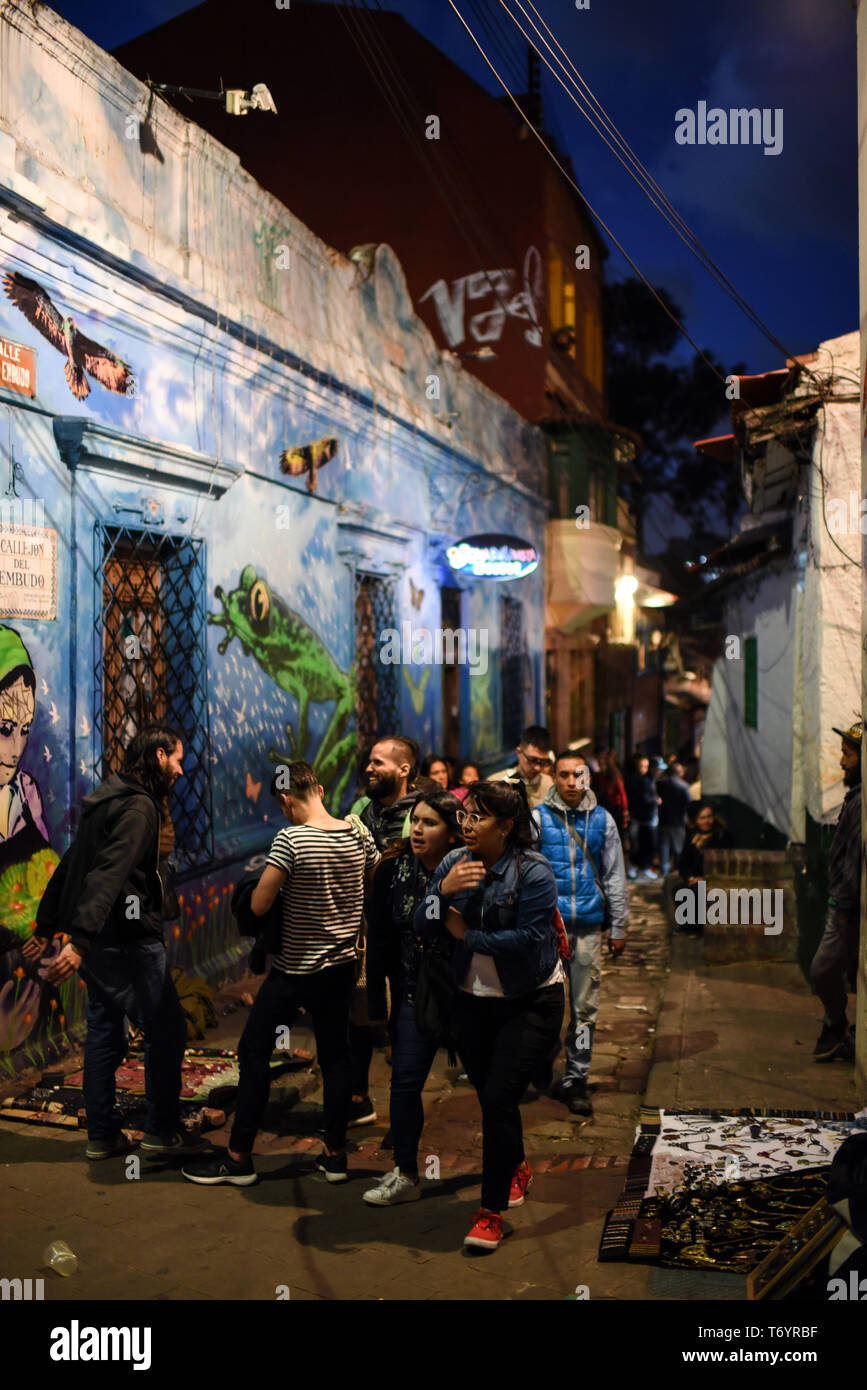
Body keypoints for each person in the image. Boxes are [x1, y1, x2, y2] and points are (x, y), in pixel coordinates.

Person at [182, 761, 380, 1187]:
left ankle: (238, 1159)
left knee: (254, 1052)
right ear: (320, 789)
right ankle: (335, 1156)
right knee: (336, 1057)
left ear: (285, 800)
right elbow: (373, 879)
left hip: (295, 972)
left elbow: (258, 906)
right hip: (342, 967)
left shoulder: (290, 840)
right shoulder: (357, 833)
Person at [29, 724, 200, 1162]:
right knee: (167, 1028)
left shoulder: (106, 796)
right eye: (178, 759)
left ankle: (102, 1135)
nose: (181, 770)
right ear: (160, 755)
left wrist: (48, 925)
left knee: (105, 1029)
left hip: (100, 940)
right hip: (126, 939)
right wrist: (79, 940)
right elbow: (108, 870)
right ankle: (160, 1131)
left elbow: (73, 863)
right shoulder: (140, 808)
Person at [415, 780, 564, 1252]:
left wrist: (466, 935)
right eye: (465, 815)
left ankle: (489, 1212)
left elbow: (528, 937)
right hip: (472, 1001)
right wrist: (441, 890)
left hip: (531, 999)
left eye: (478, 817)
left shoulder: (533, 871)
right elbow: (421, 920)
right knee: (492, 1097)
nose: (467, 824)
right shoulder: (453, 864)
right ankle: (515, 1164)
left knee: (499, 1098)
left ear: (506, 827)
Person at [363, 789, 463, 1205]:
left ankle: (512, 1166)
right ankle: (405, 1171)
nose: (418, 830)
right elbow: (380, 940)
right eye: (415, 821)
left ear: (452, 832)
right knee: (404, 1086)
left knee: (495, 1090)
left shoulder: (469, 868)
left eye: (430, 823)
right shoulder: (392, 869)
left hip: (464, 993)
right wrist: (377, 1008)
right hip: (410, 991)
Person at [534, 752, 629, 1116]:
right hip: (547, 930)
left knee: (585, 1011)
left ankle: (577, 1077)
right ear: (554, 778)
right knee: (545, 1007)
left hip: (589, 927)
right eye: (564, 776)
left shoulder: (602, 821)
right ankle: (542, 1059)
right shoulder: (538, 819)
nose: (572, 783)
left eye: (578, 775)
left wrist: (619, 924)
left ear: (588, 778)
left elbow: (615, 874)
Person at [347, 735, 420, 1125]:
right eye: (369, 763)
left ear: (404, 769)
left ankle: (404, 1119)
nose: (369, 768)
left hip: (406, 936)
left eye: (378, 763)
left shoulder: (420, 814)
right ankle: (358, 1097)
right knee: (359, 1016)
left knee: (403, 1027)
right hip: (365, 931)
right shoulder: (361, 811)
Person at [810, 722, 862, 1064]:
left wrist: (842, 906)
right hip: (844, 903)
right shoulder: (856, 797)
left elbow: (854, 860)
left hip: (846, 906)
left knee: (822, 969)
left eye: (848, 755)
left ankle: (837, 1025)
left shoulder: (861, 804)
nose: (842, 763)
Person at [674, 801, 732, 933]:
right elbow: (683, 863)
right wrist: (690, 877)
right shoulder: (692, 837)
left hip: (713, 879)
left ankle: (695, 929)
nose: (707, 821)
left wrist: (706, 879)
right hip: (696, 879)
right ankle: (687, 927)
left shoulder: (721, 836)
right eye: (702, 818)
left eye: (709, 816)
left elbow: (723, 864)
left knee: (694, 892)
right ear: (696, 821)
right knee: (678, 890)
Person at [491, 725, 554, 809]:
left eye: (543, 762)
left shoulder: (549, 783)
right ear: (519, 752)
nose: (537, 768)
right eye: (532, 760)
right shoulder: (495, 782)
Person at [625, 755, 660, 879]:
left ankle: (642, 867)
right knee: (640, 844)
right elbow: (641, 800)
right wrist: (655, 801)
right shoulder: (641, 781)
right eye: (642, 766)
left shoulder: (648, 780)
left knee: (646, 844)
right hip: (642, 818)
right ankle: (636, 867)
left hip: (646, 818)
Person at [657, 761, 691, 875]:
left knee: (664, 846)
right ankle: (677, 870)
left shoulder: (660, 783)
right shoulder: (684, 786)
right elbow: (689, 804)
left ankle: (664, 871)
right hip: (678, 821)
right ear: (680, 773)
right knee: (678, 848)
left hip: (663, 819)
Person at [591, 747, 630, 840]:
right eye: (600, 765)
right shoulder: (599, 776)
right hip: (605, 805)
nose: (601, 767)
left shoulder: (614, 777)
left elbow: (622, 794)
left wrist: (625, 810)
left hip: (615, 807)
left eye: (602, 765)